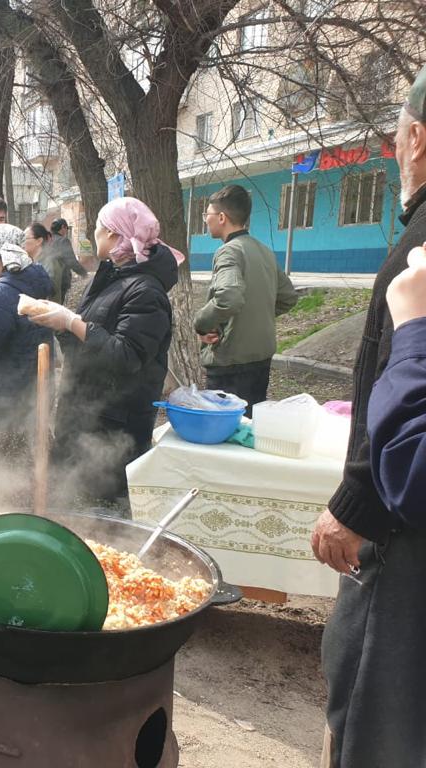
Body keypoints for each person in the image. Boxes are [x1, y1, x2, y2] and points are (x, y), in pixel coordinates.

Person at [314, 65, 426, 768]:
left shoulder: (418, 254)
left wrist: (354, 506)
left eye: (395, 137)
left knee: (378, 728)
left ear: (416, 139)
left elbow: (399, 383)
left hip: (406, 542)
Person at [26, 197, 182, 510]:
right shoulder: (113, 279)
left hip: (113, 430)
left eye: (96, 228)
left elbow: (125, 356)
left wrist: (72, 322)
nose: (91, 235)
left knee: (103, 521)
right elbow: (86, 352)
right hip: (84, 419)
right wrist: (61, 326)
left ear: (112, 234)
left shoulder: (145, 290)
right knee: (72, 511)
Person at [194, 185, 297, 415]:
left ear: (221, 217)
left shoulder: (229, 251)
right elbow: (288, 297)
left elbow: (228, 298)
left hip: (231, 363)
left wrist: (201, 322)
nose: (205, 221)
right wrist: (256, 316)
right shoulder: (264, 250)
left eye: (207, 215)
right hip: (261, 358)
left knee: (224, 434)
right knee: (249, 429)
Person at [0, 224, 54, 447]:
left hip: (5, 397)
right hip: (34, 390)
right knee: (30, 458)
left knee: (2, 466)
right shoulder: (35, 281)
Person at [48, 218, 89, 304]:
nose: (66, 231)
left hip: (46, 277)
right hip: (60, 279)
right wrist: (84, 273)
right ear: (63, 227)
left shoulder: (47, 240)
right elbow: (71, 261)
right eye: (67, 228)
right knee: (57, 306)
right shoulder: (63, 241)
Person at [23, 222, 62, 302]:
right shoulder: (31, 260)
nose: (21, 242)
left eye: (24, 238)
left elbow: (50, 289)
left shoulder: (50, 261)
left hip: (47, 309)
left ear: (39, 241)